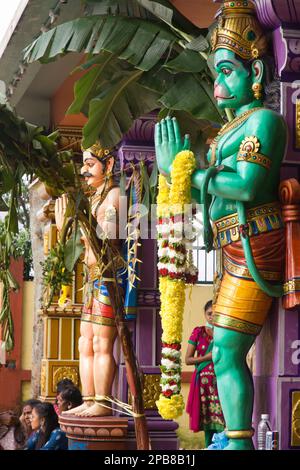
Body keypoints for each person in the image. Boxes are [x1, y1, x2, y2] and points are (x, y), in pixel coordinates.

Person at [155, 0, 287, 450]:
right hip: (232, 252)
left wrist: (186, 172)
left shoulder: (266, 122)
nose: (217, 87)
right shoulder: (224, 136)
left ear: (256, 75)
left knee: (228, 350)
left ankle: (240, 441)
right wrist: (174, 175)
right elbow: (210, 193)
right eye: (216, 74)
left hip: (255, 248)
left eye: (228, 71)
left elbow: (247, 186)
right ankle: (236, 438)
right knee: (226, 352)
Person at [55, 142, 125, 417]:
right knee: (85, 341)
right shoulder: (94, 199)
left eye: (90, 164)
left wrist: (73, 227)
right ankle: (89, 398)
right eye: (83, 164)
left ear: (108, 165)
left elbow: (106, 239)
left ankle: (103, 403)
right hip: (91, 279)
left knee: (101, 342)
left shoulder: (115, 196)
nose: (84, 170)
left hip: (109, 277)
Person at [185, 300, 225, 448]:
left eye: (215, 315)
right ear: (205, 314)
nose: (212, 317)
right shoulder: (199, 331)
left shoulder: (224, 333)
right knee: (208, 421)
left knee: (224, 420)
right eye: (209, 314)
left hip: (221, 381)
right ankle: (210, 447)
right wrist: (207, 358)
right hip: (203, 385)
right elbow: (188, 360)